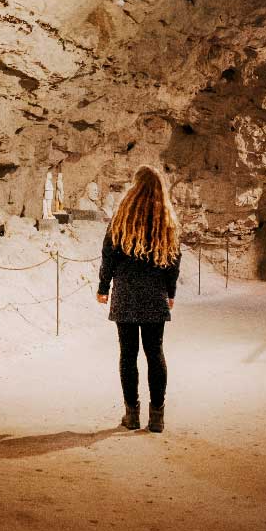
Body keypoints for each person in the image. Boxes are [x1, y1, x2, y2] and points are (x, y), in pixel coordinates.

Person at [96, 166, 181, 433]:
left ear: (135, 186)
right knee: (155, 353)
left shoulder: (121, 218)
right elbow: (174, 261)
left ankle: (131, 415)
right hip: (154, 295)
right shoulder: (165, 221)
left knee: (128, 355)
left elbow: (108, 255)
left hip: (126, 295)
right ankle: (157, 417)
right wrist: (170, 292)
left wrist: (103, 287)